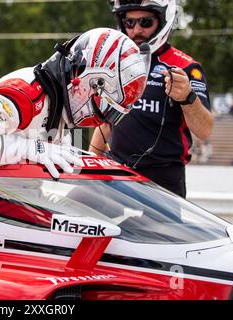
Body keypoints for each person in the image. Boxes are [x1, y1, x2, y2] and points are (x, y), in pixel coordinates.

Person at [0, 27, 148, 178]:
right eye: (105, 106)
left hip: (15, 201)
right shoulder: (25, 93)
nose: (101, 118)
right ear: (85, 81)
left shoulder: (60, 108)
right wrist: (29, 149)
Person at [89, 0, 214, 197]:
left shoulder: (187, 68)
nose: (136, 30)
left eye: (145, 22)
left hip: (164, 179)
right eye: (129, 23)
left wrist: (187, 98)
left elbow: (205, 131)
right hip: (117, 170)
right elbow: (105, 124)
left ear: (162, 20)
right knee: (72, 211)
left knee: (153, 229)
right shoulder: (115, 62)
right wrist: (91, 169)